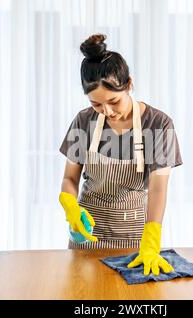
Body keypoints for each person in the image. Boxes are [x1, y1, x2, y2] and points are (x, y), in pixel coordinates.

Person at [58, 34, 183, 276]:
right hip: (86, 236)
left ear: (129, 84)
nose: (107, 111)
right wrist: (70, 206)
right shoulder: (84, 121)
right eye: (96, 104)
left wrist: (151, 242)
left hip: (134, 239)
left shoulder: (159, 125)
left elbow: (158, 188)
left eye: (113, 101)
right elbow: (70, 179)